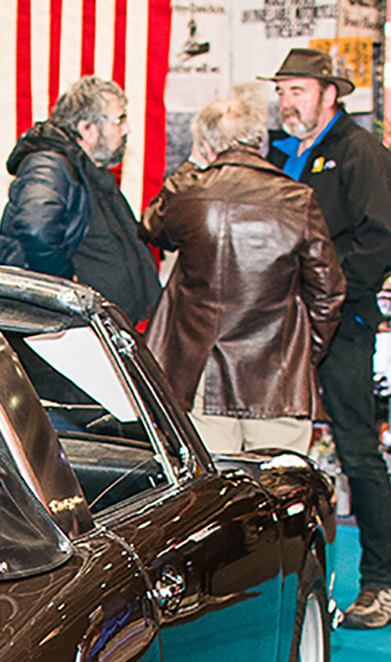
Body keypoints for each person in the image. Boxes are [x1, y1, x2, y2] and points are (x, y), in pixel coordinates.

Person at [267, 46, 391, 628]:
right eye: (281, 91)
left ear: (330, 93)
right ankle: (284, 587)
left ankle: (381, 584)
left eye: (296, 90)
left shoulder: (361, 154)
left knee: (356, 449)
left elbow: (381, 241)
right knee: (276, 450)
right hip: (284, 323)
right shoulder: (279, 154)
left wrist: (325, 287)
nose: (285, 101)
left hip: (341, 325)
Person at [142, 90, 343, 456]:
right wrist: (304, 351)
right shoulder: (298, 199)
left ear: (207, 144)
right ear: (260, 142)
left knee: (218, 493)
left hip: (202, 371)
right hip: (278, 376)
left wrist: (191, 164)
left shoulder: (189, 194)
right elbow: (327, 293)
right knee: (281, 494)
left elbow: (151, 227)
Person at [0, 76, 160, 325]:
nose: (127, 129)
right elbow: (36, 229)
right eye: (119, 120)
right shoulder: (49, 163)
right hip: (61, 328)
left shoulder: (86, 167)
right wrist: (64, 289)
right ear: (86, 128)